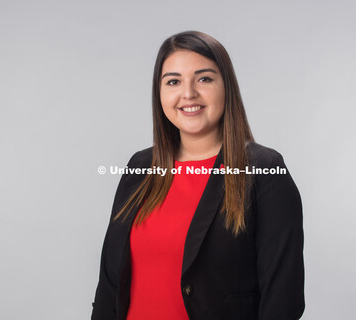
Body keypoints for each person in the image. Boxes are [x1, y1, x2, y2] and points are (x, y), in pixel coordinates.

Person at [91, 30, 305, 320]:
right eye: (174, 81)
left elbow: (283, 301)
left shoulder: (264, 170)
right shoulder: (139, 168)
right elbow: (109, 286)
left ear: (226, 86)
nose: (188, 93)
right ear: (160, 91)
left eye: (204, 79)